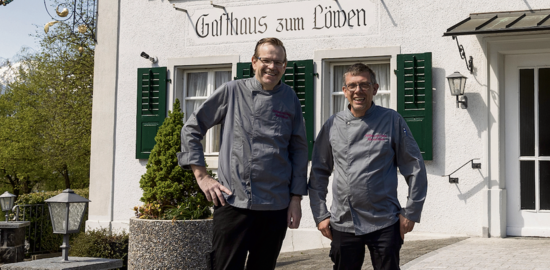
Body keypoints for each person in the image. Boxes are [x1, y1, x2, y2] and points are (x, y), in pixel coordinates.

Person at [178, 37, 308, 270]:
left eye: (278, 62)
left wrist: (296, 199)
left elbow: (299, 150)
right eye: (266, 60)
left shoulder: (291, 99)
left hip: (275, 206)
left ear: (285, 66)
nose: (272, 67)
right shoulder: (232, 91)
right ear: (254, 62)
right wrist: (202, 177)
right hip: (233, 203)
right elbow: (192, 128)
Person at [308, 62, 428, 270]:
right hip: (343, 221)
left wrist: (411, 211)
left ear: (375, 88)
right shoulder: (332, 124)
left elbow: (415, 168)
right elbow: (319, 171)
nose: (358, 91)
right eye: (352, 86)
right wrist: (320, 214)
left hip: (384, 222)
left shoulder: (391, 120)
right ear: (344, 91)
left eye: (364, 85)